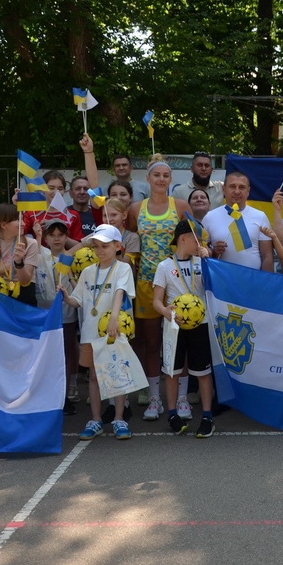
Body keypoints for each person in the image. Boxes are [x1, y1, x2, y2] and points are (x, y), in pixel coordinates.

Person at [126, 156, 193, 419]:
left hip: (177, 281)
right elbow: (131, 241)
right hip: (146, 282)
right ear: (148, 178)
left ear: (170, 179)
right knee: (152, 343)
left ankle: (182, 398)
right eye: (157, 175)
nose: (161, 179)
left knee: (180, 342)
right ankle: (155, 398)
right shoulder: (135, 209)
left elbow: (193, 238)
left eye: (166, 175)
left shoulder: (180, 205)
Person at [61, 224, 136, 441]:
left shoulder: (122, 268)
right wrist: (66, 296)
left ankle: (119, 418)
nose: (100, 250)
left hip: (113, 330)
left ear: (117, 246)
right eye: (96, 246)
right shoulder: (87, 271)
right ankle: (95, 420)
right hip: (90, 332)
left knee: (116, 375)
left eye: (105, 246)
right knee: (94, 377)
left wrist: (114, 317)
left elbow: (120, 293)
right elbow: (78, 300)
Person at [153, 220, 215, 438]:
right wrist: (165, 311)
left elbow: (215, 285)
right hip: (174, 325)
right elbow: (156, 301)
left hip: (200, 324)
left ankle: (207, 416)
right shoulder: (164, 266)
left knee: (203, 372)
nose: (200, 244)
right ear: (183, 239)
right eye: (196, 239)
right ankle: (172, 414)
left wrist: (208, 260)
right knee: (172, 371)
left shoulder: (201, 262)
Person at [36, 218, 80, 413]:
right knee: (48, 352)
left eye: (60, 235)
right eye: (52, 235)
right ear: (46, 238)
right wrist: (37, 235)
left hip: (66, 311)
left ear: (66, 237)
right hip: (44, 310)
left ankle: (66, 391)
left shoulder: (73, 257)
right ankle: (49, 391)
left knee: (66, 350)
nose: (56, 239)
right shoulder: (41, 255)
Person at [201, 172, 274, 271]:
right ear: (223, 189)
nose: (237, 191)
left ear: (248, 191)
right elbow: (201, 252)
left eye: (242, 187)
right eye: (232, 187)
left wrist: (266, 280)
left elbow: (267, 256)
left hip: (252, 278)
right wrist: (214, 252)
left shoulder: (260, 216)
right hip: (220, 277)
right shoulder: (209, 217)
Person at [0, 203, 41, 306]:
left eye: (22, 219)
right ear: (3, 225)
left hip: (24, 298)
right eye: (18, 220)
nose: (23, 224)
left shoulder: (30, 243)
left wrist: (19, 263)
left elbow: (25, 281)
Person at [20, 170, 83, 244]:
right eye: (51, 188)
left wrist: (57, 230)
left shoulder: (72, 215)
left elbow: (79, 245)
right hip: (38, 251)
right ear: (42, 190)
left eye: (60, 189)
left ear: (64, 191)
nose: (56, 192)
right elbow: (17, 236)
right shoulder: (31, 213)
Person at [103, 198, 140, 269]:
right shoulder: (99, 235)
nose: (109, 219)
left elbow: (125, 263)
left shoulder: (132, 237)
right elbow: (82, 244)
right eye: (105, 215)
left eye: (114, 215)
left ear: (124, 215)